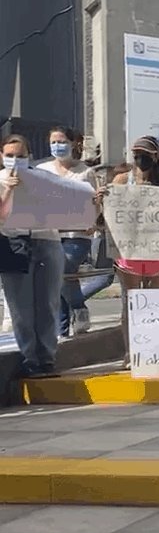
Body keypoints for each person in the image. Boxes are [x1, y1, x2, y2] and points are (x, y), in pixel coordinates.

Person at [0, 135, 67, 377]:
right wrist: (8, 190)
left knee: (48, 302)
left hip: (47, 241)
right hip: (13, 243)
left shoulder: (43, 178)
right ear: (1, 156)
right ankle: (29, 358)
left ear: (29, 156)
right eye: (9, 156)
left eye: (20, 155)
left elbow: (65, 206)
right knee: (21, 307)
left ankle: (47, 358)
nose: (15, 160)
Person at [107, 136, 159, 369]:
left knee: (155, 303)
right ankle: (130, 352)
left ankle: (154, 347)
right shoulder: (122, 180)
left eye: (144, 154)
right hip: (129, 252)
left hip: (156, 252)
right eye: (136, 154)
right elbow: (108, 209)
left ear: (155, 157)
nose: (139, 158)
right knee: (131, 303)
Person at [37, 126, 96, 337]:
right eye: (53, 142)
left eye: (62, 141)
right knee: (58, 278)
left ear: (73, 143)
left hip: (77, 235)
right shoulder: (42, 170)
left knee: (62, 270)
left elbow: (96, 201)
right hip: (49, 234)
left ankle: (79, 308)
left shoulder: (85, 172)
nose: (57, 146)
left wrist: (93, 219)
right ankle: (62, 331)